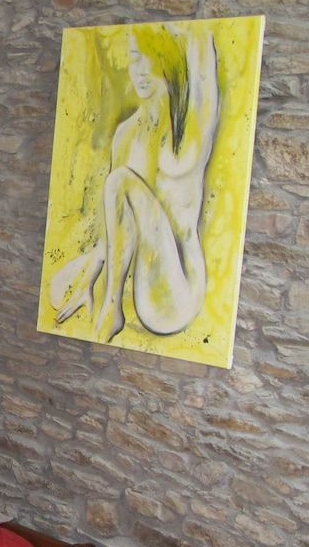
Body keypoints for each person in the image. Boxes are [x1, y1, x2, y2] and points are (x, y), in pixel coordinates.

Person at [50, 22, 220, 342]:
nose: (140, 71)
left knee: (119, 181)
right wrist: (88, 279)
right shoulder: (127, 133)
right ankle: (102, 295)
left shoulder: (190, 128)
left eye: (149, 58)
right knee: (59, 289)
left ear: (166, 59)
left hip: (176, 292)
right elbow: (113, 220)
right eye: (133, 58)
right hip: (143, 274)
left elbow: (202, 54)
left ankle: (111, 309)